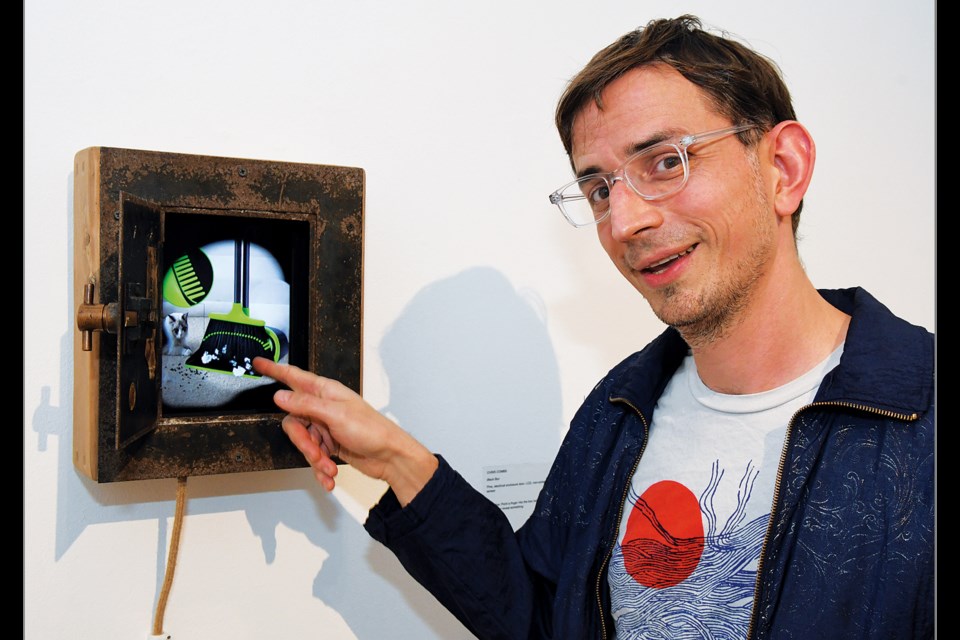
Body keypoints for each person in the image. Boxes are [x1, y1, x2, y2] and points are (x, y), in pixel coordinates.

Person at [254, 14, 934, 639]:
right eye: (600, 188)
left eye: (666, 162)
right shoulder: (619, 412)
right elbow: (544, 619)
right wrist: (399, 461)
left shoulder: (921, 422)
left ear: (783, 169)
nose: (624, 221)